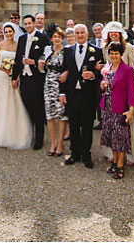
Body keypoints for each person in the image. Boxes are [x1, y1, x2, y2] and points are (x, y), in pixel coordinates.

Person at [97, 21, 134, 165]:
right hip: (110, 94)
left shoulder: (129, 48)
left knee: (125, 127)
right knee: (110, 127)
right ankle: (112, 154)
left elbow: (133, 70)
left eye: (116, 32)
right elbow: (107, 69)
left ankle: (129, 155)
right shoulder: (104, 48)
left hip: (125, 91)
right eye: (111, 32)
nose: (114, 34)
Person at [59, 24, 102, 168]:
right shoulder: (68, 50)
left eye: (82, 32)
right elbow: (63, 72)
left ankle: (86, 154)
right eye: (77, 33)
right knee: (74, 124)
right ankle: (74, 153)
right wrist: (62, 92)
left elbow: (101, 72)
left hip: (88, 94)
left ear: (87, 33)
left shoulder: (96, 51)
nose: (79, 35)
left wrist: (93, 74)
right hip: (72, 93)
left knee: (87, 125)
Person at [13, 14, 49, 150]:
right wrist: (14, 77)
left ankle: (39, 138)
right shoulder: (21, 39)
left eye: (30, 23)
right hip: (24, 77)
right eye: (26, 24)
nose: (28, 26)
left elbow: (46, 56)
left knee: (38, 108)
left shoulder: (43, 38)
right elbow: (17, 59)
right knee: (27, 106)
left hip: (36, 78)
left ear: (34, 23)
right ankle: (30, 134)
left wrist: (34, 62)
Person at [39, 27, 67, 157]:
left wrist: (66, 72)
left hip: (61, 85)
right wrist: (40, 66)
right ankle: (53, 143)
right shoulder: (47, 50)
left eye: (59, 37)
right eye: (55, 36)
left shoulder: (66, 52)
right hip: (48, 84)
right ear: (51, 38)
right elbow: (42, 68)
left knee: (62, 115)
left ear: (62, 39)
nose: (57, 39)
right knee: (49, 115)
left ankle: (60, 144)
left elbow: (69, 68)